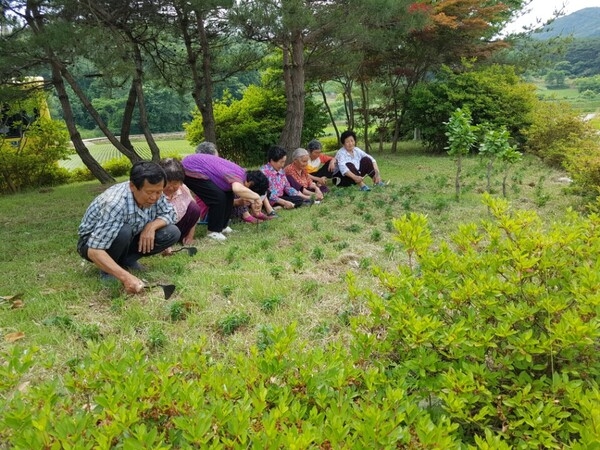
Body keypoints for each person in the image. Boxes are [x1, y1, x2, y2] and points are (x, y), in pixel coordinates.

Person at [77, 161, 180, 294]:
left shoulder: (155, 192)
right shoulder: (115, 203)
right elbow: (94, 250)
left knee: (171, 232)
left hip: (130, 234)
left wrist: (151, 227)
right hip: (91, 243)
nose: (154, 197)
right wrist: (126, 278)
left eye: (159, 192)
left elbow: (171, 213)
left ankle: (127, 261)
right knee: (124, 231)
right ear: (132, 186)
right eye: (149, 192)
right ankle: (109, 271)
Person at [182, 152, 269, 241]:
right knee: (218, 197)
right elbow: (237, 189)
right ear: (250, 183)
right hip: (190, 169)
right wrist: (256, 197)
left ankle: (223, 226)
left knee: (228, 195)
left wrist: (253, 199)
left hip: (196, 166)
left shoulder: (242, 174)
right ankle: (213, 232)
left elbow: (234, 191)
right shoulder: (238, 176)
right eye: (251, 191)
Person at [159, 158, 201, 246]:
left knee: (194, 208)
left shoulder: (183, 189)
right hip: (160, 228)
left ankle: (181, 238)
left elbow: (195, 214)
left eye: (175, 183)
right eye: (168, 183)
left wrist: (190, 236)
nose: (171, 187)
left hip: (178, 226)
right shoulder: (155, 192)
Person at [261, 145, 310, 210]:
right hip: (268, 200)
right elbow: (264, 194)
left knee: (298, 199)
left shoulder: (281, 171)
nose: (283, 165)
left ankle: (280, 207)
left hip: (281, 197)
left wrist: (305, 197)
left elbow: (287, 187)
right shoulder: (263, 172)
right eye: (281, 162)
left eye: (284, 162)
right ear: (272, 161)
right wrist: (284, 202)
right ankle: (274, 207)